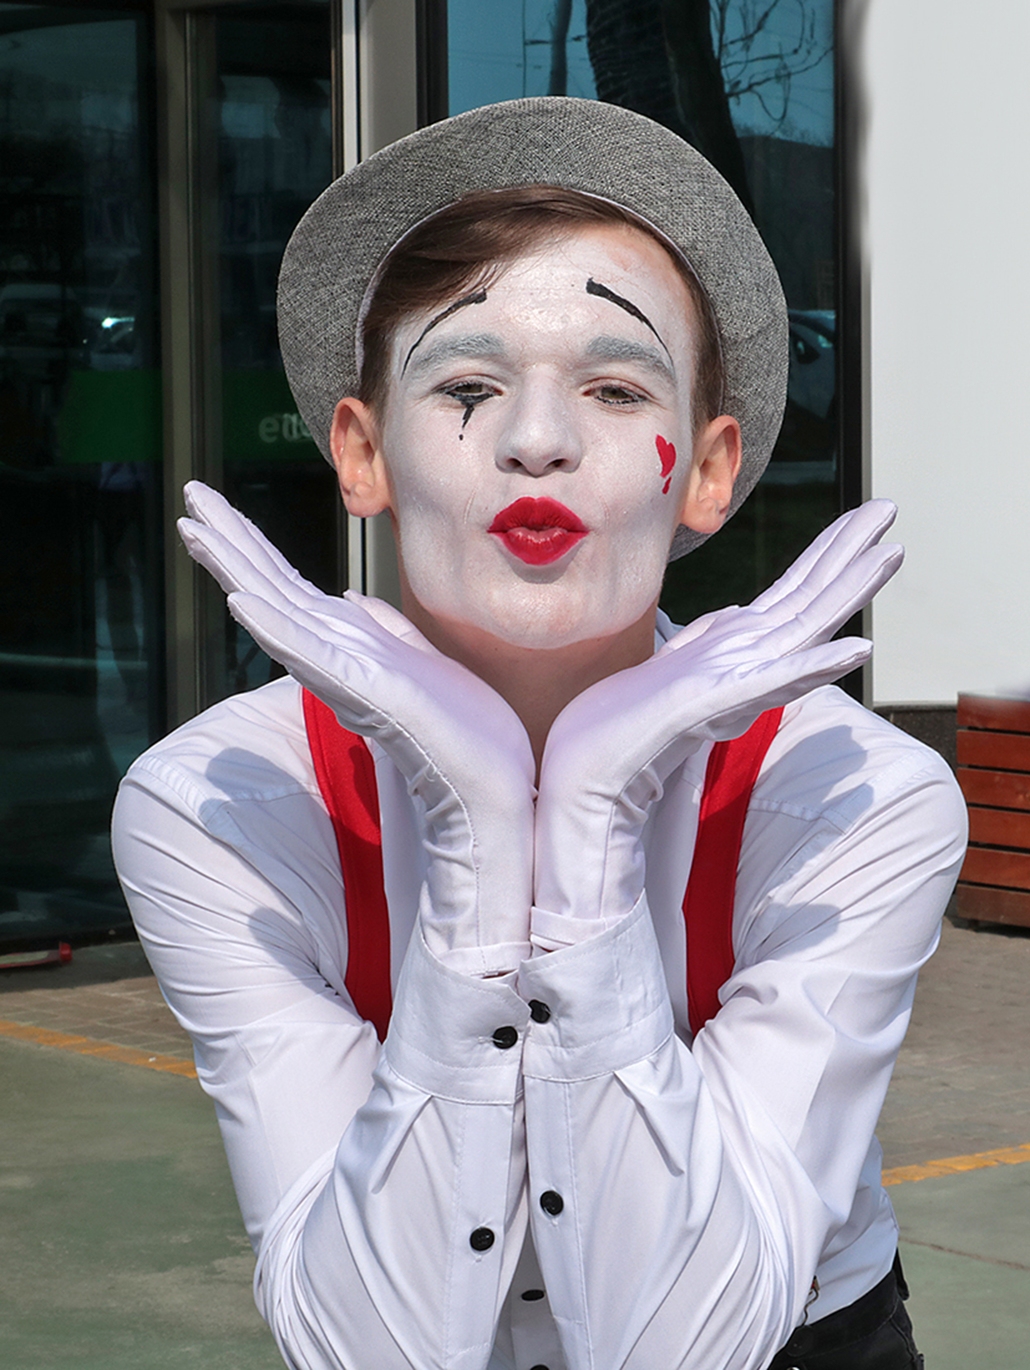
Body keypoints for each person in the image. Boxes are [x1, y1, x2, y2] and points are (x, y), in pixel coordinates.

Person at [112, 98, 966, 1370]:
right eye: (467, 385)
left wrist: (586, 820)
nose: (536, 441)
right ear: (362, 452)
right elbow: (371, 1347)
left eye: (616, 389)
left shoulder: (851, 794)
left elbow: (686, 1343)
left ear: (707, 471)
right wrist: (476, 834)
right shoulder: (225, 802)